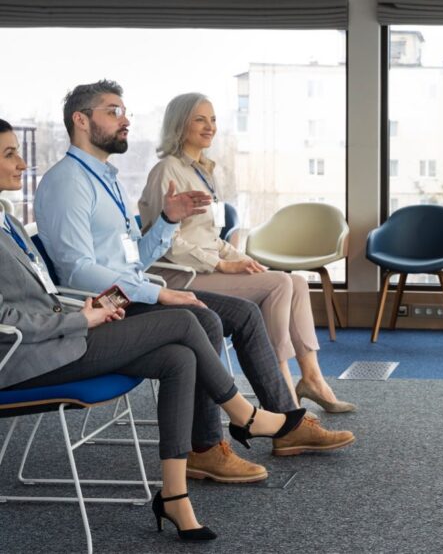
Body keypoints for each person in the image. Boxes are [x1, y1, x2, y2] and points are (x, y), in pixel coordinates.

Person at [0, 119, 307, 542]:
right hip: (30, 357)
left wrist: (90, 306)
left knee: (178, 357)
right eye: (9, 154)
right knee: (186, 319)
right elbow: (8, 320)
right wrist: (79, 318)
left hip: (70, 324)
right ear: (82, 120)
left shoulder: (8, 218)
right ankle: (244, 415)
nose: (21, 164)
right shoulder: (62, 187)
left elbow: (50, 289)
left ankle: (175, 496)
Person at [34, 80, 355, 484]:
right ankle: (207, 447)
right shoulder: (68, 183)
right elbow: (78, 270)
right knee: (202, 319)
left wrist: (168, 219)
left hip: (131, 290)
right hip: (105, 306)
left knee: (243, 313)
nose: (126, 120)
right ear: (81, 120)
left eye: (124, 111)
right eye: (113, 111)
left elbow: (135, 256)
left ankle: (287, 424)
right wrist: (158, 292)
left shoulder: (106, 178)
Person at [139, 92, 354, 413]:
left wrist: (238, 259)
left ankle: (311, 378)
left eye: (212, 119)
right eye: (200, 119)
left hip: (204, 268)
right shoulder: (166, 171)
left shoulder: (202, 171)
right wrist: (221, 265)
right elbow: (167, 242)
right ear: (179, 124)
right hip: (177, 276)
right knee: (280, 284)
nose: (209, 126)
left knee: (293, 282)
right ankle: (281, 385)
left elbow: (211, 236)